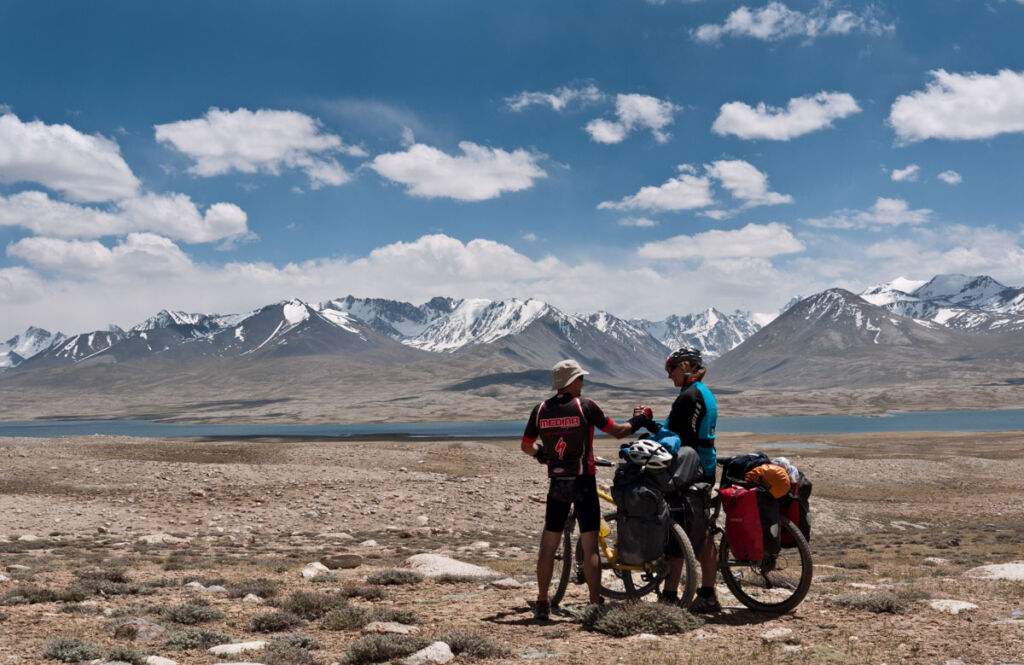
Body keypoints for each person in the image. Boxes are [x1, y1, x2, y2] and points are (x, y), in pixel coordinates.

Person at [521, 359, 641, 619]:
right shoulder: (585, 406)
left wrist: (541, 454)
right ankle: (594, 602)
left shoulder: (540, 410)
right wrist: (639, 419)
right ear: (571, 381)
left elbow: (526, 446)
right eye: (581, 378)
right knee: (590, 547)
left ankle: (542, 601)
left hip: (557, 482)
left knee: (548, 546)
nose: (583, 383)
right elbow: (618, 431)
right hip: (583, 482)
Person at [636, 346, 721, 613]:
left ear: (685, 366)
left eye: (670, 370)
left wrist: (648, 431)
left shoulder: (689, 396)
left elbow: (676, 439)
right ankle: (708, 593)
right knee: (703, 530)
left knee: (678, 528)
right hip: (702, 466)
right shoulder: (701, 393)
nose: (669, 376)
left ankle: (670, 597)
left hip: (689, 468)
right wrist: (651, 424)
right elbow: (676, 432)